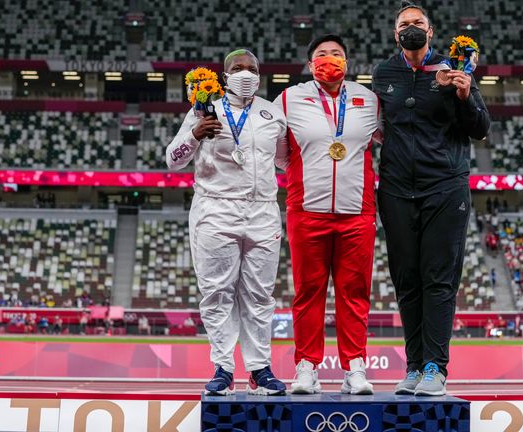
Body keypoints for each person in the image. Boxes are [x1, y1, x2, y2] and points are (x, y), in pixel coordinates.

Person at [372, 1, 490, 396]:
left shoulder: (454, 70)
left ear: (431, 31)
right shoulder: (383, 74)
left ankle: (436, 368)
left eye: (417, 23)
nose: (411, 28)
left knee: (438, 281)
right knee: (407, 281)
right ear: (395, 34)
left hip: (445, 187)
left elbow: (480, 129)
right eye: (404, 24)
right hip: (395, 190)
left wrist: (466, 94)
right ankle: (413, 367)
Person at [167, 49, 288, 396]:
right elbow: (173, 160)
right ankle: (222, 367)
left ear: (260, 75)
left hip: (263, 210)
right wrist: (194, 135)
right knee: (217, 292)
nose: (245, 74)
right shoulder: (203, 109)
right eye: (237, 69)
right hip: (215, 209)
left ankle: (259, 368)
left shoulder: (272, 113)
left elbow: (284, 161)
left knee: (259, 295)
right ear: (224, 76)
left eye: (252, 69)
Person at [273, 34, 381, 395]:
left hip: (357, 212)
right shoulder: (288, 99)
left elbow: (390, 140)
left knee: (355, 292)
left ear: (348, 63)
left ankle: (356, 368)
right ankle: (306, 367)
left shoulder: (369, 100)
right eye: (322, 54)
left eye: (337, 54)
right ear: (309, 64)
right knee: (308, 292)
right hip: (306, 210)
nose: (329, 59)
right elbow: (278, 152)